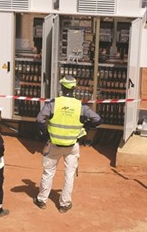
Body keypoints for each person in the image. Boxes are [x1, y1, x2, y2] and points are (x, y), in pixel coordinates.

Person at [33, 75, 102, 213]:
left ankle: (41, 200)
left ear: (62, 88)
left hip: (54, 145)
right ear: (74, 88)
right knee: (69, 174)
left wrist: (47, 134)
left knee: (48, 172)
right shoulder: (80, 106)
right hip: (72, 146)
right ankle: (64, 204)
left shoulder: (53, 103)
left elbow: (39, 119)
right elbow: (98, 119)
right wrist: (85, 126)